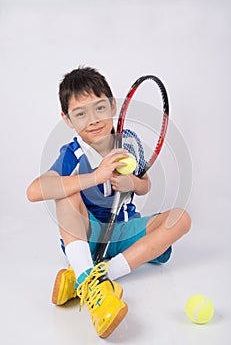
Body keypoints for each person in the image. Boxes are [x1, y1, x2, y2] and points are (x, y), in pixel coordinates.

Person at [26, 66, 191, 338]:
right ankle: (92, 285)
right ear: (67, 119)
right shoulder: (72, 153)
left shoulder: (128, 142)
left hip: (125, 231)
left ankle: (91, 277)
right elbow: (34, 191)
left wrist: (132, 184)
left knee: (181, 219)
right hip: (88, 236)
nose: (93, 119)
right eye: (80, 113)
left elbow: (145, 183)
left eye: (100, 108)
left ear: (113, 105)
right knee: (65, 192)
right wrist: (96, 176)